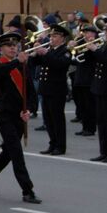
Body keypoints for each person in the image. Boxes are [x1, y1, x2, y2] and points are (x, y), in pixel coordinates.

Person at [0, 32, 42, 204]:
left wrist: (30, 109)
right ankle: (27, 190)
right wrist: (18, 61)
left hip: (19, 115)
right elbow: (1, 74)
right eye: (8, 46)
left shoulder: (21, 66)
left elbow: (31, 92)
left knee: (9, 153)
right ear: (1, 49)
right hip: (4, 116)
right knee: (16, 152)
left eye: (15, 46)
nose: (12, 48)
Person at [31, 25, 72, 155]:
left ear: (62, 39)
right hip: (46, 89)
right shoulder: (50, 50)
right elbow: (36, 63)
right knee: (48, 119)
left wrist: (46, 53)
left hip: (56, 90)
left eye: (55, 36)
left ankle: (60, 146)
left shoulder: (65, 51)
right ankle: (52, 143)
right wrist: (35, 53)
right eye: (51, 36)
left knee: (57, 119)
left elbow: (58, 64)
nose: (52, 38)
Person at [84, 18, 107, 162]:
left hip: (106, 89)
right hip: (99, 87)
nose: (105, 33)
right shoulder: (104, 45)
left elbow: (105, 59)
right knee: (101, 121)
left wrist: (95, 50)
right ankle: (103, 151)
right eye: (105, 30)